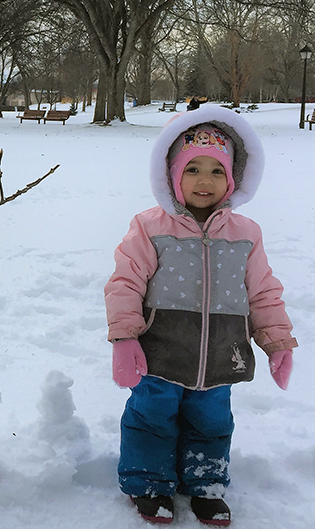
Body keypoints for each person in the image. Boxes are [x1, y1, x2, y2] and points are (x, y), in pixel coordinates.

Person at [104, 106, 297, 526]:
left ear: (233, 179)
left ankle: (205, 484)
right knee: (151, 416)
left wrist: (277, 342)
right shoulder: (150, 227)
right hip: (159, 351)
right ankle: (149, 483)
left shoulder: (246, 233)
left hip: (222, 352)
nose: (205, 180)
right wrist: (124, 337)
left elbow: (263, 290)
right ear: (173, 174)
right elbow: (125, 283)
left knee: (212, 421)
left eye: (216, 170)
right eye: (193, 169)